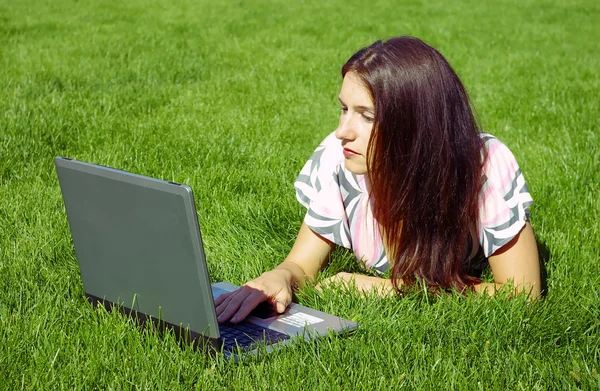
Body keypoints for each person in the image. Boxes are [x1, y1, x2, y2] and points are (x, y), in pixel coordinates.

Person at [215, 36, 541, 324]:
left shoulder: (483, 165)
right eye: (344, 109)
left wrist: (392, 288)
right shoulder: (339, 158)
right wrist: (279, 276)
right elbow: (302, 262)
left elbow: (522, 295)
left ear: (414, 124)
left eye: (366, 115)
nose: (343, 131)